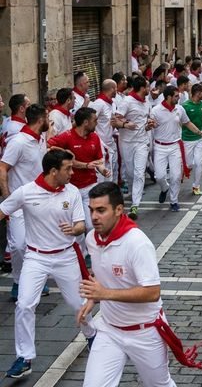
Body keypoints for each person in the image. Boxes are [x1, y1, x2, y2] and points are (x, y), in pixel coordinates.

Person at [78, 182, 202, 387]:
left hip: (144, 332)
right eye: (91, 210)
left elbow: (152, 292)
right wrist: (92, 298)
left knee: (159, 385)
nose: (94, 217)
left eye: (101, 210)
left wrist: (104, 293)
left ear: (119, 210)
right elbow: (104, 273)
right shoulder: (92, 239)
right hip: (110, 331)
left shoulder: (137, 243)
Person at [1, 150, 96, 379]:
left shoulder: (71, 192)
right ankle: (24, 357)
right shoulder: (26, 193)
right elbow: (3, 210)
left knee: (78, 305)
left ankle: (92, 335)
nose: (72, 173)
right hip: (36, 258)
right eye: (68, 169)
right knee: (24, 304)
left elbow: (81, 224)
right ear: (53, 171)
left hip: (65, 257)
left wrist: (75, 229)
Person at [0, 104, 48, 299]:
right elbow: (2, 168)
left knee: (38, 244)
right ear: (40, 120)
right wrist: (8, 198)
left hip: (39, 202)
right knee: (19, 245)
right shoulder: (18, 141)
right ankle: (19, 281)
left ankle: (37, 281)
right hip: (18, 202)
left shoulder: (40, 139)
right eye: (46, 117)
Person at [48, 107, 109, 253]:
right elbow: (49, 144)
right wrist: (66, 154)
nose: (97, 123)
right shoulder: (67, 136)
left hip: (90, 186)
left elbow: (98, 161)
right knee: (75, 225)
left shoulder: (95, 137)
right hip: (71, 188)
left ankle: (93, 251)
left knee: (90, 224)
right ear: (86, 122)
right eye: (95, 120)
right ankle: (82, 254)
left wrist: (102, 169)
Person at [150, 86, 202, 212]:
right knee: (159, 176)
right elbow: (149, 126)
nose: (178, 97)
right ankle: (164, 188)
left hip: (175, 146)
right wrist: (149, 126)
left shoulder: (179, 109)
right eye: (176, 96)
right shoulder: (156, 110)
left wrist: (199, 132)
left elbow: (187, 123)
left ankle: (174, 201)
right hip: (160, 147)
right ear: (169, 97)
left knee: (176, 176)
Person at [114, 76, 156, 220]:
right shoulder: (127, 102)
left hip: (142, 142)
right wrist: (125, 125)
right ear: (142, 88)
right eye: (148, 86)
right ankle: (134, 192)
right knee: (131, 173)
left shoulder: (147, 102)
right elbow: (115, 120)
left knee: (139, 173)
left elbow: (146, 120)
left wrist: (149, 124)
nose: (150, 89)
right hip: (127, 142)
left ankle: (135, 205)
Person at [181, 84, 202, 195]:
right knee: (189, 164)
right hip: (187, 139)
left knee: (200, 163)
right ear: (198, 92)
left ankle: (196, 186)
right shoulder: (184, 106)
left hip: (200, 138)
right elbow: (181, 122)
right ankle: (185, 170)